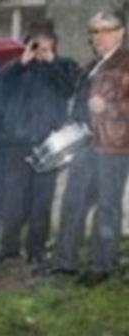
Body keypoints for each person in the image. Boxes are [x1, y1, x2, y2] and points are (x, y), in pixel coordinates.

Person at [0, 22, 80, 266]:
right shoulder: (17, 69)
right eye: (36, 41)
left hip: (49, 144)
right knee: (13, 200)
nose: (41, 47)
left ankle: (36, 249)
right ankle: (8, 247)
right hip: (17, 143)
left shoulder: (64, 66)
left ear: (54, 44)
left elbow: (71, 88)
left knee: (42, 199)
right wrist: (20, 64)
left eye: (46, 41)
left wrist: (52, 62)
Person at [52, 9, 129, 286]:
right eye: (95, 31)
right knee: (74, 201)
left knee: (107, 206)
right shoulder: (92, 65)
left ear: (121, 32)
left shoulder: (125, 63)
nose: (99, 37)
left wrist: (110, 107)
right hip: (86, 142)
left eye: (106, 30)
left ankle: (102, 264)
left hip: (113, 145)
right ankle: (65, 261)